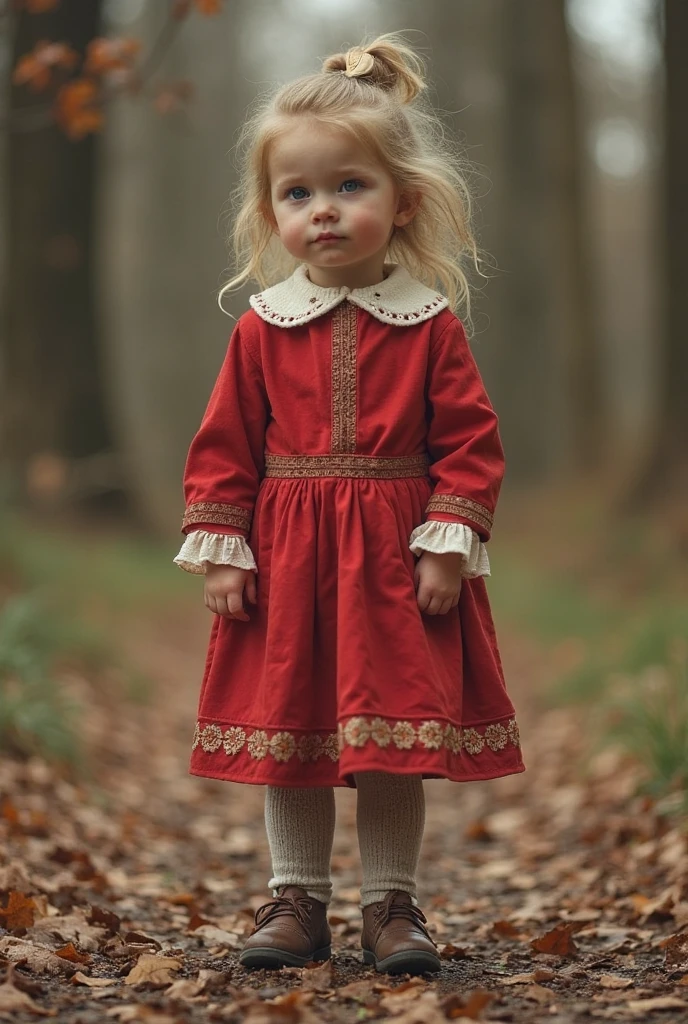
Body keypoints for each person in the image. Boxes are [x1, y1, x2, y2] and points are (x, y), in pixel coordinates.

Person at [174, 33, 525, 976]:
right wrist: (221, 547)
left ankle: (391, 906)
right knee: (294, 729)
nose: (323, 210)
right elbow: (223, 448)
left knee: (389, 735)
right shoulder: (261, 327)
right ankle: (296, 901)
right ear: (271, 210)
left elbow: (470, 442)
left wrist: (448, 544)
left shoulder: (429, 323)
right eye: (298, 193)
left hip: (393, 560)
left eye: (348, 187)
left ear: (402, 200)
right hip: (288, 559)